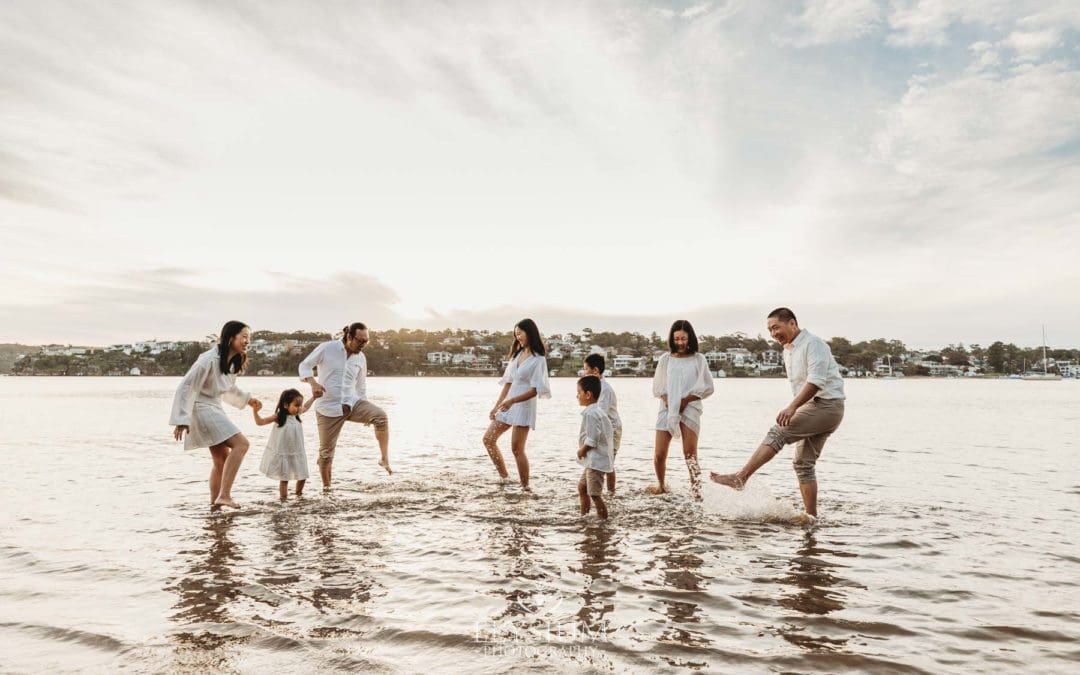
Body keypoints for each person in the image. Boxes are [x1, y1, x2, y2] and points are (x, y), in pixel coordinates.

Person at [711, 307, 845, 522]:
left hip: (826, 406)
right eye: (770, 330)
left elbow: (816, 381)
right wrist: (798, 407)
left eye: (776, 328)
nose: (773, 334)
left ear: (792, 323)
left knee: (778, 433)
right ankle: (811, 519)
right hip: (814, 408)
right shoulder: (788, 350)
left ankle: (741, 477)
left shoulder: (814, 344)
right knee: (803, 464)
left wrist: (792, 407)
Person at [170, 320, 262, 509]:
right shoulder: (208, 359)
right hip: (201, 407)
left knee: (221, 459)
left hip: (213, 406)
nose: (247, 341)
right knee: (242, 444)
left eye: (249, 338)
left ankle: (215, 506)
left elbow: (225, 388)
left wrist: (247, 399)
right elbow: (187, 386)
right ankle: (225, 496)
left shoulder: (229, 360)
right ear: (231, 337)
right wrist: (181, 419)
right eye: (244, 337)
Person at [298, 322, 392, 490]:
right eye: (360, 341)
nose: (363, 345)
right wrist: (313, 383)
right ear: (349, 336)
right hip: (328, 408)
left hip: (352, 404)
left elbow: (361, 386)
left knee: (380, 416)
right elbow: (304, 365)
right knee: (326, 454)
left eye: (366, 341)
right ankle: (327, 490)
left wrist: (366, 413)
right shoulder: (327, 348)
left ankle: (384, 458)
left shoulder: (361, 358)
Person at [647, 319, 714, 498]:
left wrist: (685, 401)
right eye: (676, 339)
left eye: (683, 338)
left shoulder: (699, 359)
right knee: (659, 454)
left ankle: (696, 491)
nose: (680, 343)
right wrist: (668, 400)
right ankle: (661, 485)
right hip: (667, 408)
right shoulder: (665, 359)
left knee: (690, 454)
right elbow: (658, 386)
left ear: (690, 338)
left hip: (690, 407)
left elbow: (708, 387)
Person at [482, 318, 551, 489]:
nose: (517, 336)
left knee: (517, 449)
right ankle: (504, 478)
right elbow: (508, 383)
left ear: (530, 332)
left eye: (520, 332)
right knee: (488, 439)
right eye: (516, 333)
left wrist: (513, 401)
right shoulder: (517, 355)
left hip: (523, 404)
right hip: (508, 404)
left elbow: (536, 389)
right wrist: (496, 406)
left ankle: (525, 487)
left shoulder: (538, 359)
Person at [254, 388, 320, 500]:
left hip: (297, 453)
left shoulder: (296, 415)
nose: (299, 408)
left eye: (300, 405)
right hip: (284, 454)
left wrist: (314, 397)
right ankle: (283, 501)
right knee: (284, 480)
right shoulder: (279, 417)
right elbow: (260, 422)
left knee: (302, 476)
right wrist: (255, 412)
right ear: (285, 405)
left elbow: (306, 407)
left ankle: (299, 497)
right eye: (296, 405)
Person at [576, 376, 614, 520]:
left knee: (595, 494)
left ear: (588, 394)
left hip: (596, 462)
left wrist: (582, 450)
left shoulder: (591, 414)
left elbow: (593, 439)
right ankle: (584, 517)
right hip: (593, 461)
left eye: (579, 392)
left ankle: (604, 521)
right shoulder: (596, 411)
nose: (577, 396)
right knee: (582, 487)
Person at [583, 354, 622, 494]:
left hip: (611, 429)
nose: (584, 373)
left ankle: (611, 493)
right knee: (603, 460)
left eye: (586, 369)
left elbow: (601, 414)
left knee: (609, 462)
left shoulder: (603, 388)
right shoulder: (596, 387)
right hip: (604, 428)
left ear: (595, 371)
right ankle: (608, 493)